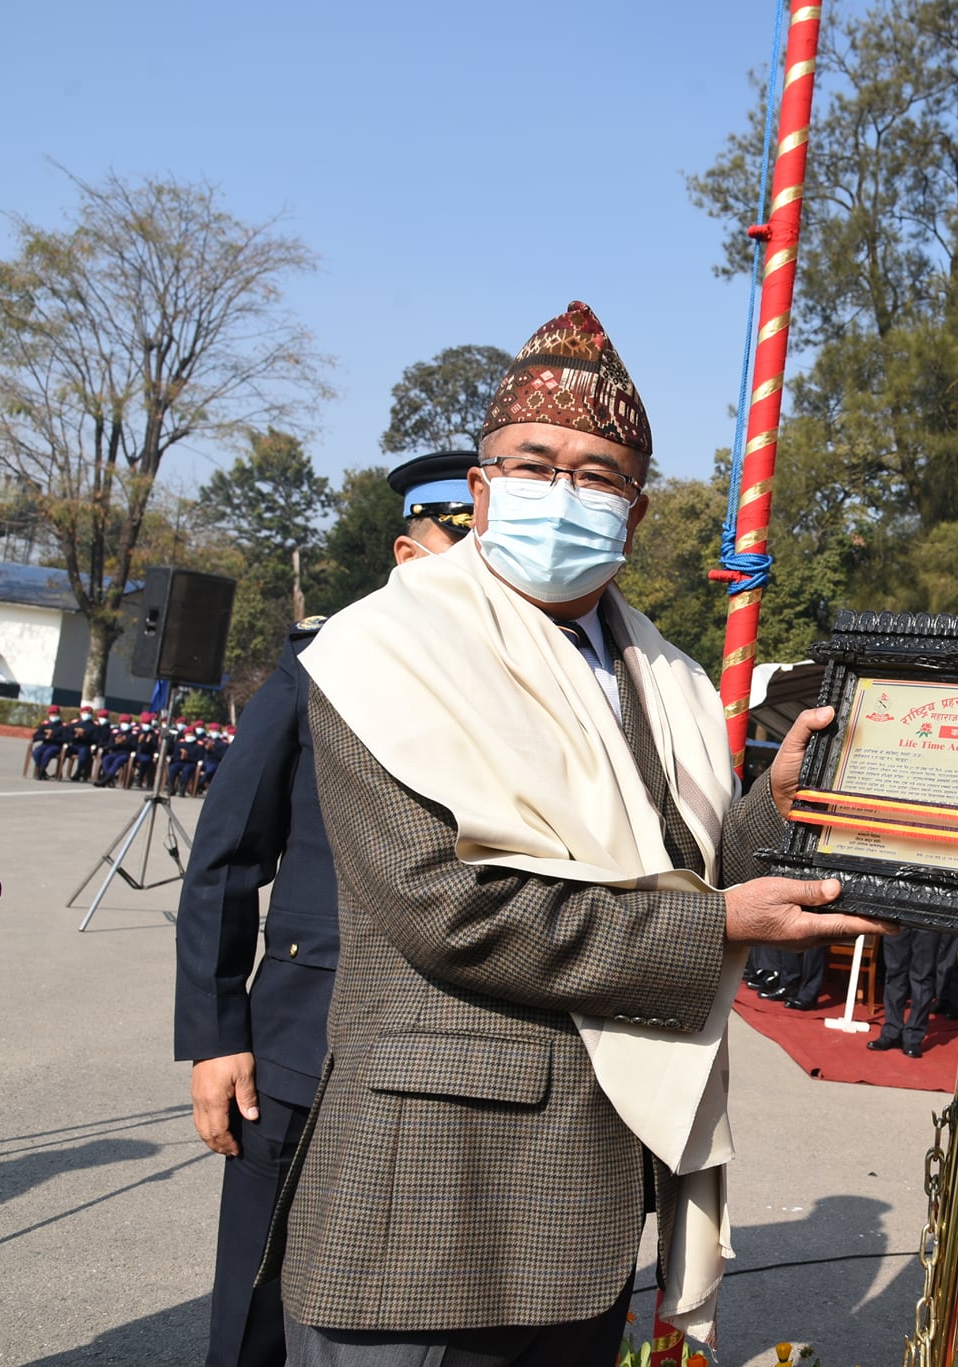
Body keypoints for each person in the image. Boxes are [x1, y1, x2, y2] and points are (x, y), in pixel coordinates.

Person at [273, 303, 887, 1365]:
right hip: (435, 1191)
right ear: (479, 488)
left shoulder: (668, 675)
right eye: (532, 462)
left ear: (635, 514)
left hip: (598, 1187)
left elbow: (683, 873)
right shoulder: (385, 648)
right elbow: (446, 913)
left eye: (597, 475)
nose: (561, 492)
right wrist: (717, 925)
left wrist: (775, 803)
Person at [174, 449, 478, 1367]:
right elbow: (226, 856)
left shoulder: (529, 694)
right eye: (455, 547)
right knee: (258, 1312)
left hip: (449, 1051)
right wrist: (218, 1033)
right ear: (407, 552)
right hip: (302, 1046)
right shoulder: (323, 665)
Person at [868, 926, 943, 1059]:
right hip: (899, 914)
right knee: (894, 972)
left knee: (923, 976)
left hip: (928, 917)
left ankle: (913, 1037)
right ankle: (891, 1031)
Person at [29, 707, 64, 780]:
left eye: (54, 713)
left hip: (56, 745)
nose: (52, 715)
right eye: (51, 713)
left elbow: (66, 739)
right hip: (45, 744)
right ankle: (41, 769)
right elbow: (36, 736)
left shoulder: (63, 726)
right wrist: (45, 737)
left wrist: (53, 737)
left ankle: (41, 771)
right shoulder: (45, 725)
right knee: (36, 752)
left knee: (48, 753)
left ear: (58, 714)